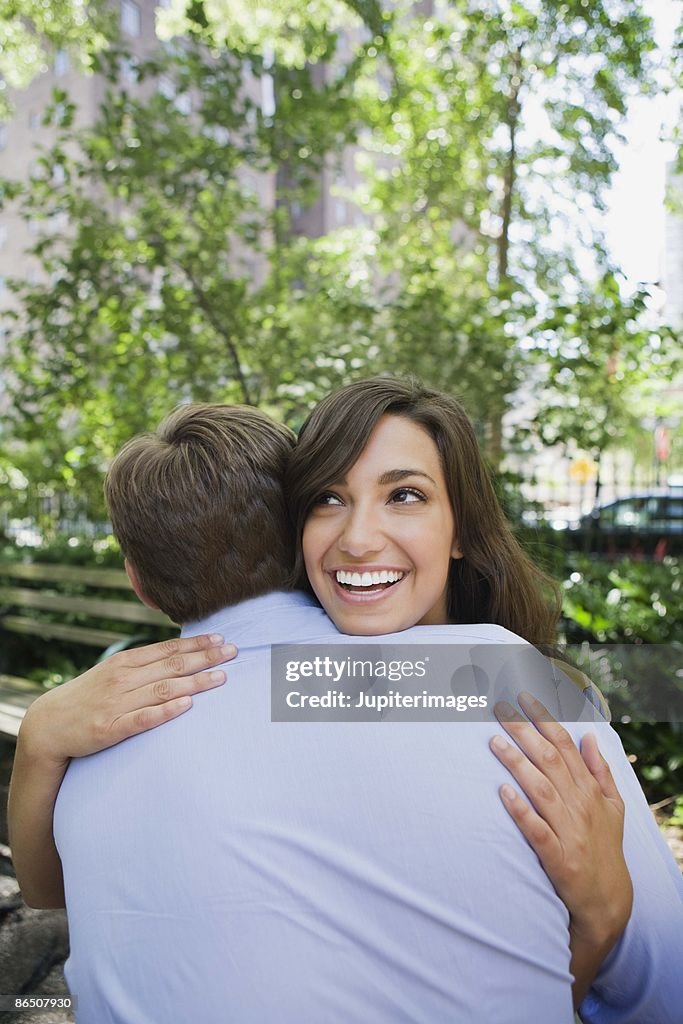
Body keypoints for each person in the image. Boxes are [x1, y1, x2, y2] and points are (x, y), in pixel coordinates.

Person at [8, 388, 681, 1022]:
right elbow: (661, 993)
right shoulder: (498, 682)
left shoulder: (90, 747)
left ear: (138, 584)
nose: (359, 538)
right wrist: (597, 922)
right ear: (294, 533)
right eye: (330, 498)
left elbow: (56, 905)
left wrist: (41, 739)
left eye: (405, 496)